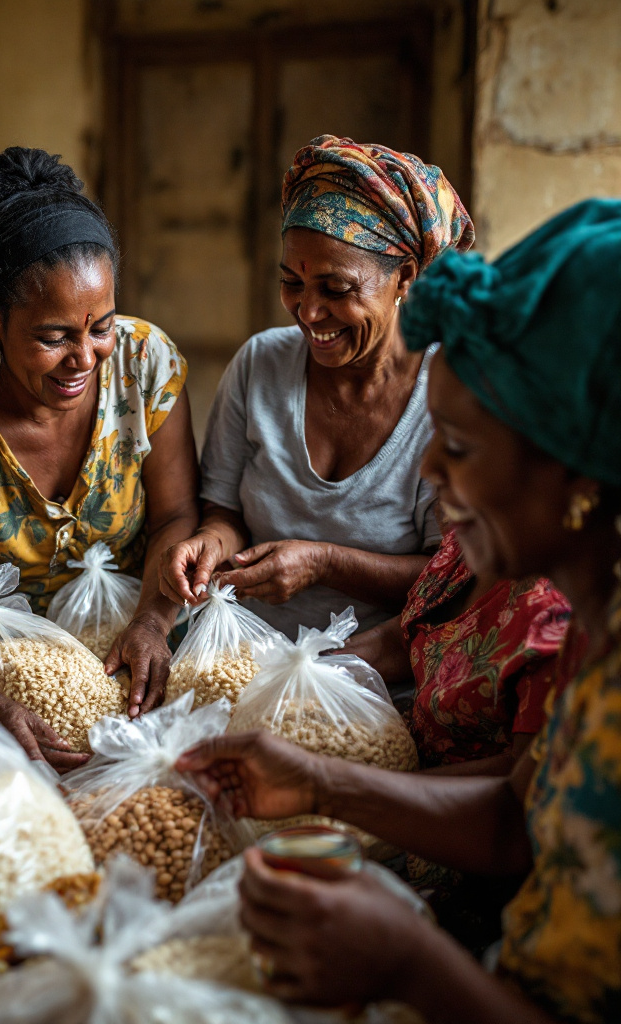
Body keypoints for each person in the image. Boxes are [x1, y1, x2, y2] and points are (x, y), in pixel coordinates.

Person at [177, 199, 621, 1023]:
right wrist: (317, 780)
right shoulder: (598, 638)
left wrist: (408, 960)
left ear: (580, 476)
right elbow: (515, 820)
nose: (428, 471)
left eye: (459, 447)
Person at [0, 147, 200, 770]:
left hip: (132, 650)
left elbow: (177, 514)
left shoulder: (144, 363)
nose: (85, 358)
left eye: (100, 325)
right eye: (55, 338)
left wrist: (154, 624)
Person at [161, 134, 474, 638]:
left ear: (406, 277)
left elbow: (452, 579)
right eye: (292, 282)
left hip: (372, 677)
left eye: (336, 289)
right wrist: (211, 544)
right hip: (237, 659)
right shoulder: (259, 365)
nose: (308, 313)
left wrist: (325, 563)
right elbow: (225, 511)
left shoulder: (448, 397)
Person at [345, 526, 572, 775]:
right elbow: (419, 638)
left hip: (453, 802)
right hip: (401, 769)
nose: (436, 494)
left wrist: (345, 786)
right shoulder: (466, 540)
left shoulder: (555, 618)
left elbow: (522, 781)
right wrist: (321, 664)